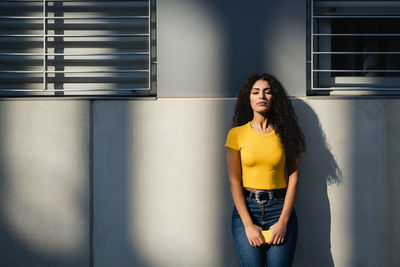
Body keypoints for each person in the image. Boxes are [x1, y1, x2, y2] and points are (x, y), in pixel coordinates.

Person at [225, 73, 305, 267]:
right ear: (249, 98)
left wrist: (283, 222)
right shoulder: (236, 134)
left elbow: (293, 178)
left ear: (274, 98)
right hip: (247, 211)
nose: (261, 96)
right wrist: (248, 225)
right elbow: (234, 181)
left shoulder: (287, 133)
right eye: (256, 92)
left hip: (280, 209)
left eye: (267, 92)